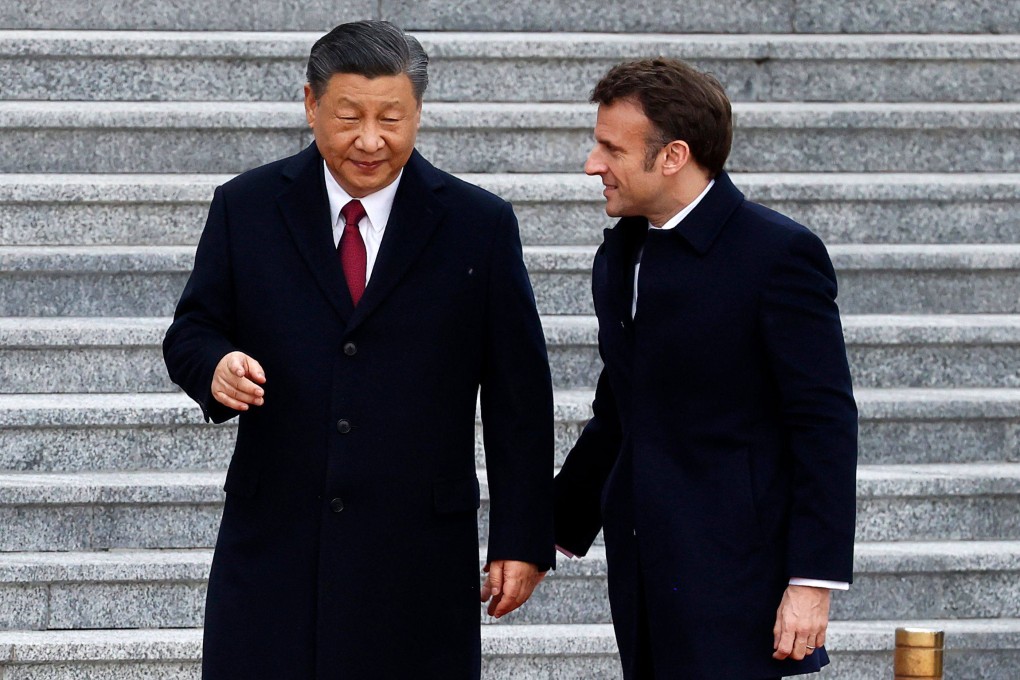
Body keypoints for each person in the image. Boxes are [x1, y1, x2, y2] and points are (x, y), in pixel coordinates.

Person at [163, 20, 554, 679]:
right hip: (275, 546)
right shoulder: (248, 206)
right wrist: (216, 366)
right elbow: (193, 329)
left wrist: (522, 538)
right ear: (311, 103)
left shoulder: (478, 225)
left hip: (418, 553)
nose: (370, 141)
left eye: (392, 119)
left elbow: (520, 392)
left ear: (418, 113)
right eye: (348, 116)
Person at [553, 58, 858, 679]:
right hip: (643, 567)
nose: (592, 164)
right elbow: (621, 408)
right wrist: (551, 528)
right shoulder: (622, 253)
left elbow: (823, 421)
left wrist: (812, 582)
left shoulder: (777, 255)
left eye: (611, 148)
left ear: (673, 156)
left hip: (737, 578)